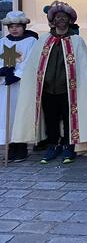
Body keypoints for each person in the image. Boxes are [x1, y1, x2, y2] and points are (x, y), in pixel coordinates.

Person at [12, 2, 87, 165]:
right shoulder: (45, 39)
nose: (61, 20)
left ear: (70, 20)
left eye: (64, 17)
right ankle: (53, 145)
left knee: (68, 118)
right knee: (51, 118)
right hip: (47, 88)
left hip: (68, 89)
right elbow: (34, 63)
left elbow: (83, 65)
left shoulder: (76, 40)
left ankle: (68, 145)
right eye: (58, 17)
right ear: (53, 21)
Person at [0, 11, 37, 162]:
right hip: (6, 86)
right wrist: (3, 70)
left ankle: (21, 147)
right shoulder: (4, 41)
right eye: (11, 27)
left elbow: (31, 60)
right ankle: (10, 147)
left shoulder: (31, 41)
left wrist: (17, 74)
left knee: (19, 114)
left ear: (24, 27)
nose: (14, 29)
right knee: (7, 114)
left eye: (17, 26)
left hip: (21, 84)